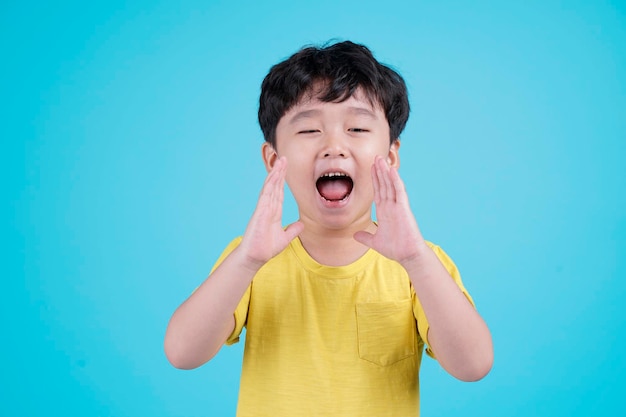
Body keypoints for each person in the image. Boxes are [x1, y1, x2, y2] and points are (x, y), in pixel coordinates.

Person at [164, 40, 493, 416]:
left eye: (356, 128)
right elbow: (182, 354)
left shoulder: (421, 263)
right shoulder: (250, 257)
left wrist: (416, 259)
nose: (334, 146)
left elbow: (473, 366)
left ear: (390, 156)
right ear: (273, 160)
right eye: (308, 132)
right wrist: (248, 260)